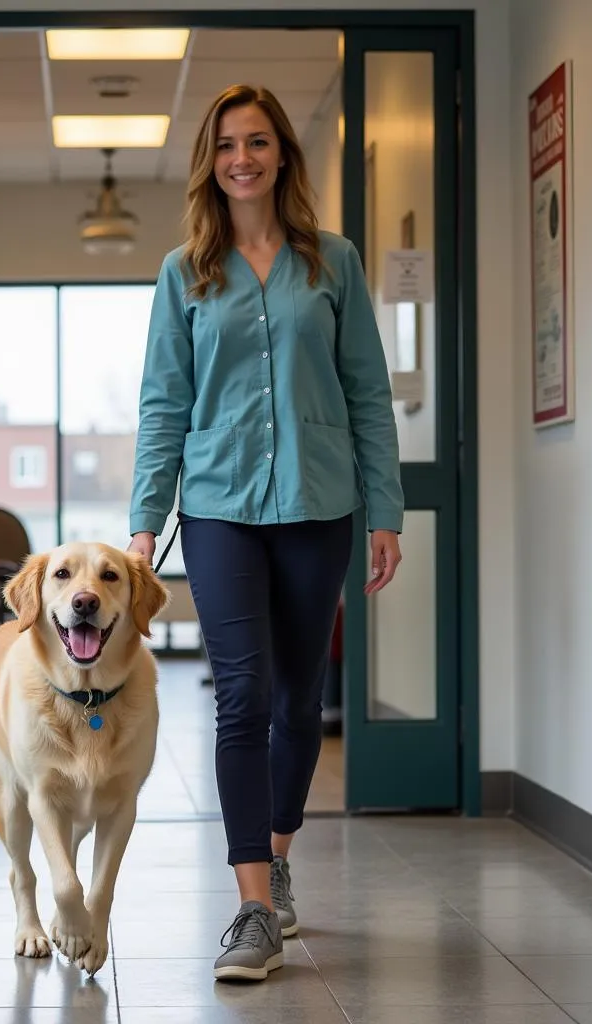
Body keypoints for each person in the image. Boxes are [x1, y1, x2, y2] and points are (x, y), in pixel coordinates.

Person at [127, 84, 404, 983]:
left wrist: (385, 511)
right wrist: (143, 525)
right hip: (216, 508)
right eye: (225, 145)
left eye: (257, 141)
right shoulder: (185, 271)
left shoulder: (334, 263)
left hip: (319, 505)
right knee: (240, 697)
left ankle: (276, 851)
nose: (240, 158)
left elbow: (367, 391)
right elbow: (163, 402)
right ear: (210, 162)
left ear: (282, 153)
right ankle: (251, 906)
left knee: (297, 703)